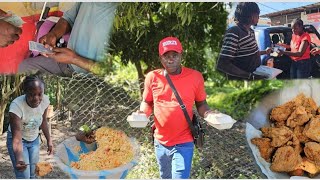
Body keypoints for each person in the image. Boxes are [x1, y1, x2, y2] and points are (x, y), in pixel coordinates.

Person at [137, 36, 229, 179]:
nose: (170, 59)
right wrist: (142, 114)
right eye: (166, 56)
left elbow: (201, 104)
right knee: (165, 176)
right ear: (160, 58)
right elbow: (147, 102)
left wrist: (210, 114)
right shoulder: (152, 77)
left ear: (181, 55)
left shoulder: (195, 77)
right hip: (160, 142)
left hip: (184, 142)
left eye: (174, 55)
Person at [18, 2, 118, 76]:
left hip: (94, 80)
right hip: (67, 64)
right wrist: (53, 34)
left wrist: (75, 59)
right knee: (25, 67)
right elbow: (68, 19)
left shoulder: (128, 11)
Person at [6, 75, 53, 179]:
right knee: (24, 176)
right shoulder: (16, 107)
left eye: (40, 94)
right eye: (32, 94)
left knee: (33, 174)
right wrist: (19, 158)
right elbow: (17, 137)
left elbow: (44, 121)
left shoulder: (45, 101)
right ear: (25, 92)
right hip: (18, 141)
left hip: (34, 140)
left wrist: (49, 140)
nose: (36, 98)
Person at [217, 2, 272, 80]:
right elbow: (223, 64)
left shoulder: (251, 31)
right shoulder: (235, 32)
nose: (258, 18)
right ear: (251, 16)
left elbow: (249, 53)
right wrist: (250, 76)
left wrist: (265, 52)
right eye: (257, 15)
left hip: (255, 75)